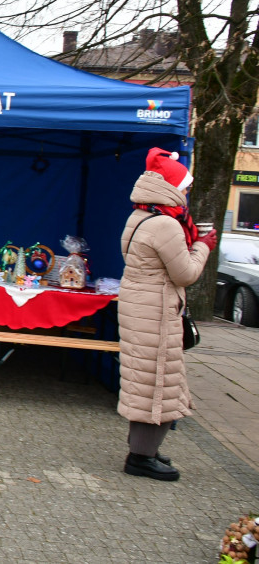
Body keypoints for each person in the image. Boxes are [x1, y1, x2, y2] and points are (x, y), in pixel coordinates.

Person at [118, 148, 216, 481]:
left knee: (143, 382)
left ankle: (145, 450)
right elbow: (185, 273)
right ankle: (141, 457)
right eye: (184, 187)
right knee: (157, 384)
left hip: (141, 310)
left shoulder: (139, 217)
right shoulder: (165, 225)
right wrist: (203, 245)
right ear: (170, 187)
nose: (186, 193)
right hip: (156, 315)